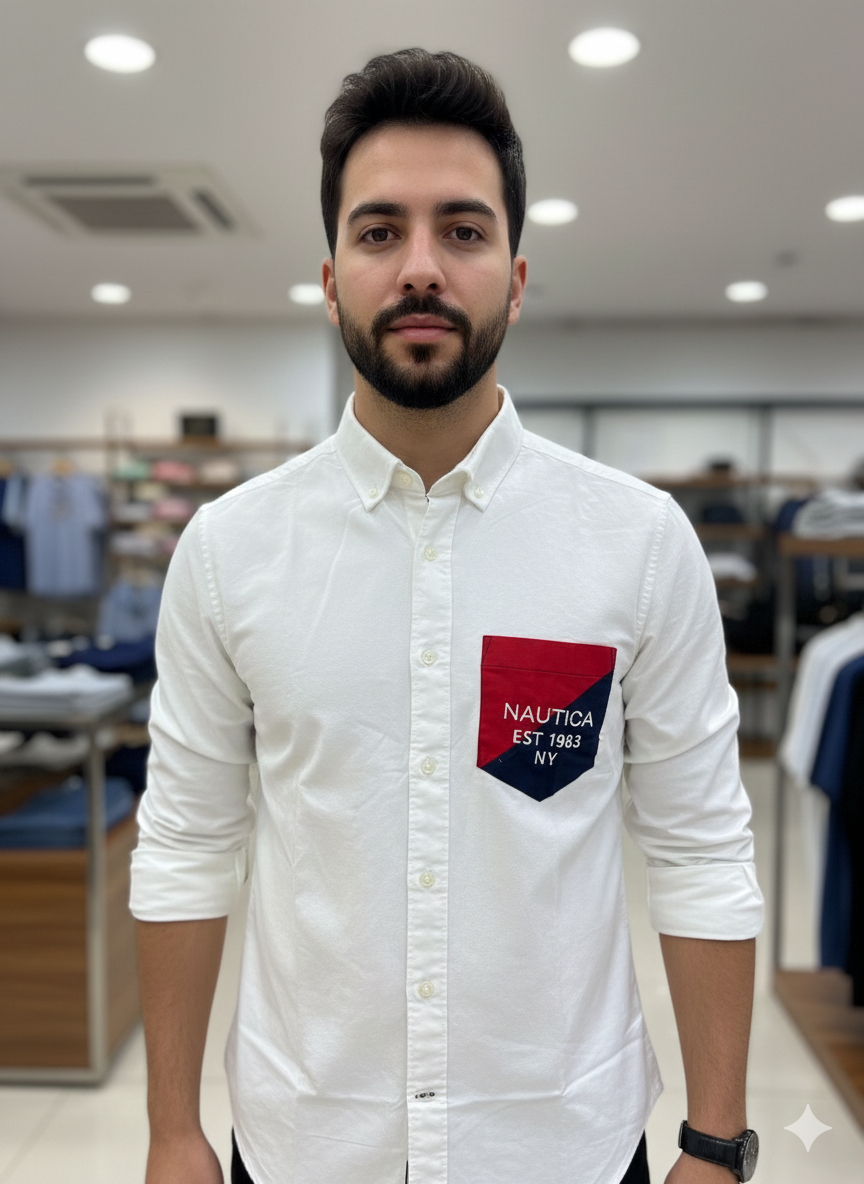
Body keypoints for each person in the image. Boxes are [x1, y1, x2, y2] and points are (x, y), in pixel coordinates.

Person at [132, 49, 764, 1184]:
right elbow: (184, 844)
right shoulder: (229, 552)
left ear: (514, 280)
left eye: (462, 231)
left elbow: (701, 845)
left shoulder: (636, 542)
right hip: (305, 1142)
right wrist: (173, 1131)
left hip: (563, 1143)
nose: (420, 267)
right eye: (379, 231)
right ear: (331, 278)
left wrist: (716, 1144)